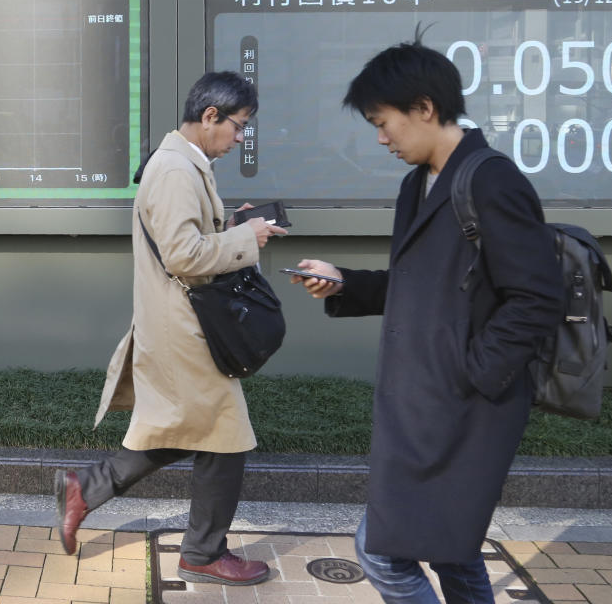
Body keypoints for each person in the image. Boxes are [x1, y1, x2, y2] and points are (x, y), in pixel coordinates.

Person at [289, 43, 563, 603]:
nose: (381, 138)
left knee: (382, 552)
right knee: (452, 552)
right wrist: (344, 281)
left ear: (424, 107)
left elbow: (536, 297)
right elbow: (418, 284)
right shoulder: (422, 182)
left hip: (465, 409)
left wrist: (473, 374)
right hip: (428, 402)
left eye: (383, 123)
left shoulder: (490, 181)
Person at [55, 71, 286, 586]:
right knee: (224, 436)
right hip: (186, 331)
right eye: (240, 126)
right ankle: (202, 553)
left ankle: (87, 489)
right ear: (210, 117)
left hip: (184, 327)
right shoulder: (177, 170)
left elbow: (185, 240)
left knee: (195, 431)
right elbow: (184, 255)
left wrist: (231, 227)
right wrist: (245, 237)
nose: (241, 137)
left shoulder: (182, 164)